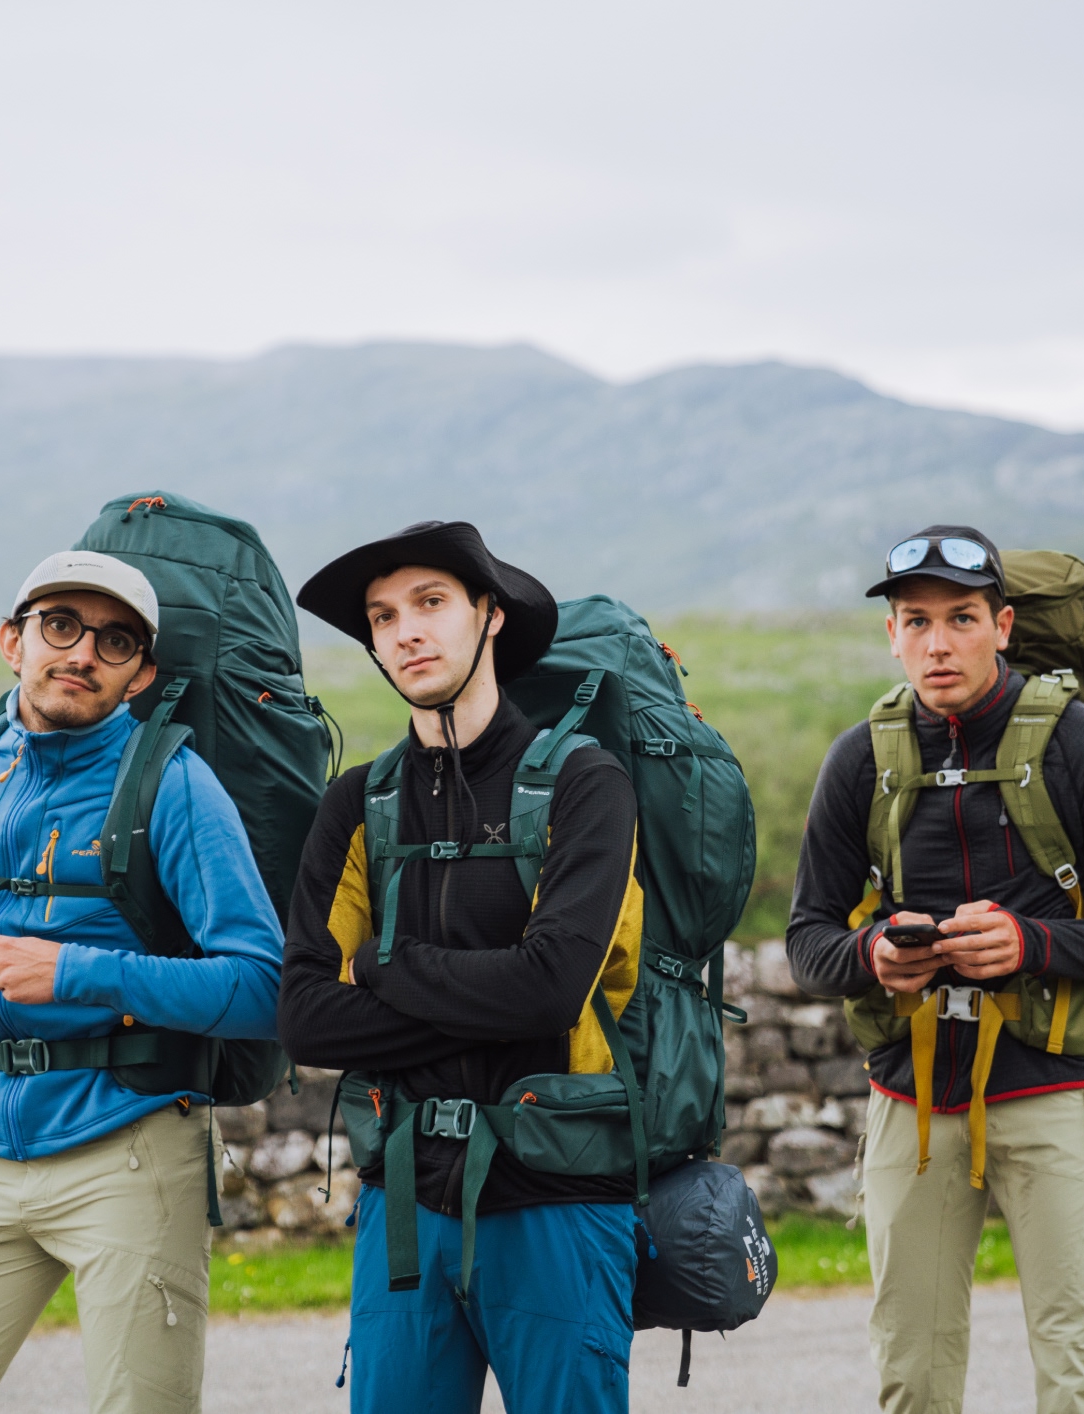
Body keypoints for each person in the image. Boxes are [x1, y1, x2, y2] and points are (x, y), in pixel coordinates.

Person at [0, 550, 285, 1414]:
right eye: (60, 625)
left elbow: (263, 986)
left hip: (133, 1145)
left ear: (141, 675)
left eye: (114, 640)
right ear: (13, 641)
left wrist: (81, 971)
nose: (82, 652)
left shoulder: (176, 785)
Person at [785, 525, 1084, 1414]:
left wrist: (1029, 945)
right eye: (915, 621)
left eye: (960, 618)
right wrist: (873, 958)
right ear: (890, 634)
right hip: (912, 1102)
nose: (938, 643)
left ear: (1002, 625)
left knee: (1079, 1381)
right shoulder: (861, 759)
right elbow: (808, 936)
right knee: (911, 1384)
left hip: (1056, 1091)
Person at [280, 521, 642, 1414]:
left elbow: (555, 989)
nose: (405, 630)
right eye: (382, 615)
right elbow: (307, 1016)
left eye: (431, 603)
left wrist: (384, 964)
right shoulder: (357, 803)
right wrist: (496, 992)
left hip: (556, 1195)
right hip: (404, 1202)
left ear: (490, 617)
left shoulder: (583, 784)